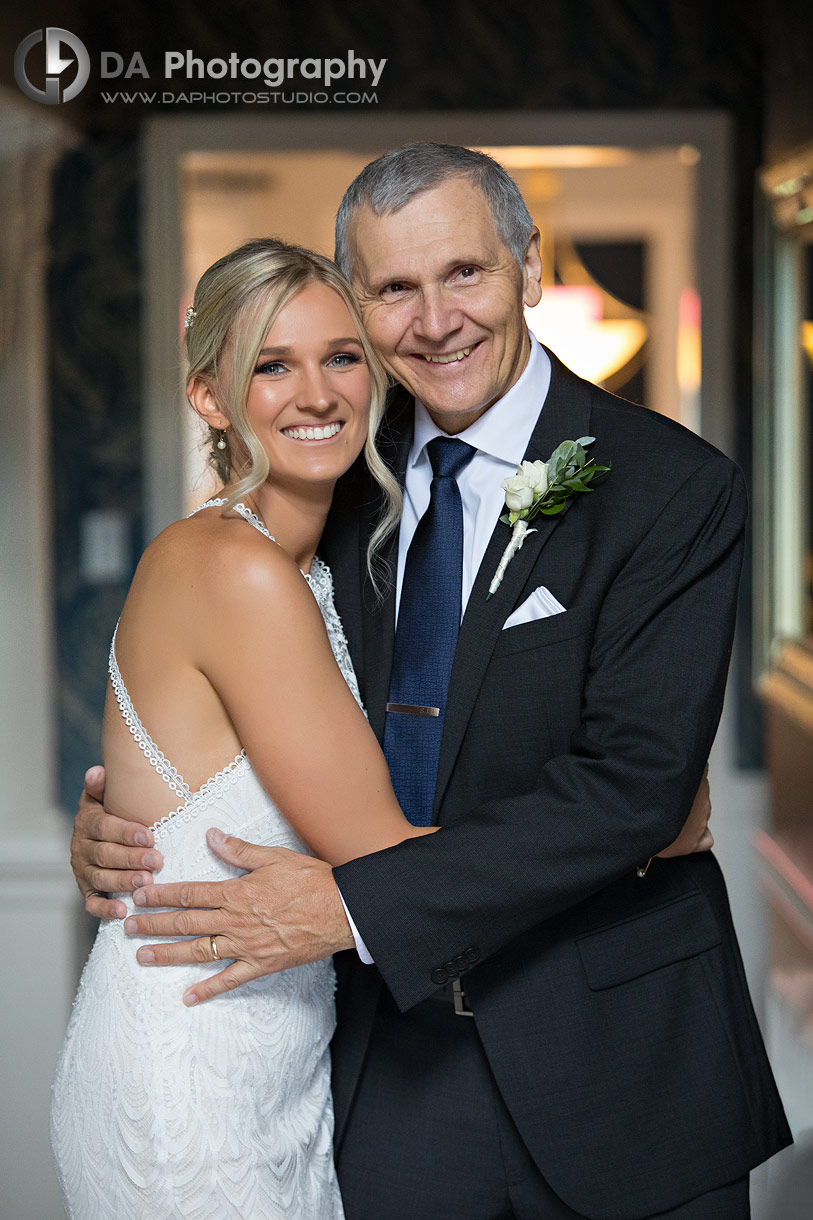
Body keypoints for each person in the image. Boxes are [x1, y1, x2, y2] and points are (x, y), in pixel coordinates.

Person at [70, 143, 791, 1219]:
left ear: (528, 268)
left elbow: (635, 783)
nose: (435, 318)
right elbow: (237, 710)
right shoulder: (336, 469)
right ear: (360, 301)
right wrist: (133, 814)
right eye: (394, 288)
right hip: (389, 1069)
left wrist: (355, 902)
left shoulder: (670, 487)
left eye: (464, 273)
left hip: (622, 1061)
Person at [51, 237, 443, 1219]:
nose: (317, 392)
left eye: (342, 355)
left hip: (274, 1074)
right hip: (194, 1087)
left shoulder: (295, 564)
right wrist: (628, 833)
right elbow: (389, 862)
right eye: (273, 364)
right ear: (211, 396)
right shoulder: (237, 571)